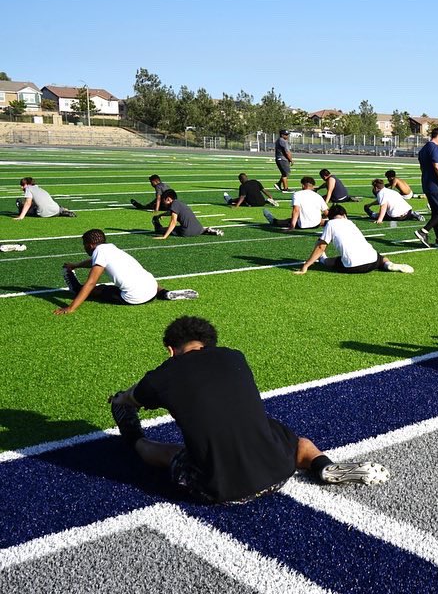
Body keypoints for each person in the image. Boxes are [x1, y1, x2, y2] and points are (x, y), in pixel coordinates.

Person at [108, 316, 390, 504]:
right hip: (280, 472)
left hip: (218, 489)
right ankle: (322, 465)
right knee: (287, 437)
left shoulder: (163, 375)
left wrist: (120, 400)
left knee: (167, 453)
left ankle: (135, 441)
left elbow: (132, 398)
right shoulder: (234, 356)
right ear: (209, 344)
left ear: (171, 350)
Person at [55, 229, 198, 315]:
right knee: (142, 278)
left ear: (91, 245)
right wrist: (76, 265)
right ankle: (165, 293)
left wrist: (71, 307)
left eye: (84, 245)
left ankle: (75, 287)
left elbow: (91, 282)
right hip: (153, 288)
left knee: (98, 290)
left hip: (134, 298)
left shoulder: (99, 251)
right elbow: (94, 262)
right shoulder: (110, 248)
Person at [296, 205, 414, 274]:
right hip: (373, 261)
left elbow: (321, 247)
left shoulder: (331, 224)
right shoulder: (350, 222)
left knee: (331, 261)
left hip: (354, 266)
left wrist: (306, 265)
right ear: (345, 215)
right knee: (381, 258)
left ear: (330, 216)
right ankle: (389, 264)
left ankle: (323, 260)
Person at [414, 128, 438, 247]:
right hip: (436, 185)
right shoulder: (435, 148)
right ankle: (423, 231)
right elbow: (437, 166)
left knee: (436, 212)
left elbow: (422, 168)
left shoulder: (423, 149)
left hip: (427, 184)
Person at [262, 176, 328, 230]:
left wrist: (292, 226)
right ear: (313, 186)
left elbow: (296, 210)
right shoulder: (318, 196)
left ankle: (274, 221)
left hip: (302, 225)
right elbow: (326, 212)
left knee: (287, 221)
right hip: (316, 225)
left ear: (302, 185)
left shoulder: (297, 194)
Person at [153, 190, 224, 239]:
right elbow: (172, 212)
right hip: (199, 229)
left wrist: (165, 236)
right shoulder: (179, 203)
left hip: (186, 232)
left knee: (160, 230)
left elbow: (173, 222)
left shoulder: (174, 204)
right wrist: (161, 215)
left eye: (163, 201)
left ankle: (158, 226)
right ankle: (207, 230)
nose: (163, 203)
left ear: (168, 199)